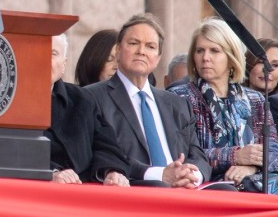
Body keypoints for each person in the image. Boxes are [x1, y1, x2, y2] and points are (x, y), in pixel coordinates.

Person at [85, 13, 211, 187]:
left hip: (184, 191)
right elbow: (101, 154)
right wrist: (160, 175)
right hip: (136, 188)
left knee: (228, 192)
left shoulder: (178, 104)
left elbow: (198, 155)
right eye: (134, 43)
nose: (141, 51)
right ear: (118, 51)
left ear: (158, 58)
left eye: (150, 46)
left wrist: (190, 175)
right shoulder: (92, 98)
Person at [169, 18, 278, 186]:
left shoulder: (255, 99)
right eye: (200, 51)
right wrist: (235, 156)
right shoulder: (178, 97)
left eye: (214, 50)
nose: (205, 57)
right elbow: (181, 155)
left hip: (249, 189)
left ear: (231, 57)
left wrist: (250, 168)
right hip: (202, 190)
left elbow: (275, 152)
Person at [47, 34, 130, 186]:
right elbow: (11, 151)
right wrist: (51, 172)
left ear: (64, 64)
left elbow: (105, 144)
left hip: (85, 188)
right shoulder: (10, 101)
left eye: (53, 54)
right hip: (40, 190)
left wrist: (111, 171)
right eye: (38, 51)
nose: (44, 60)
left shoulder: (82, 98)